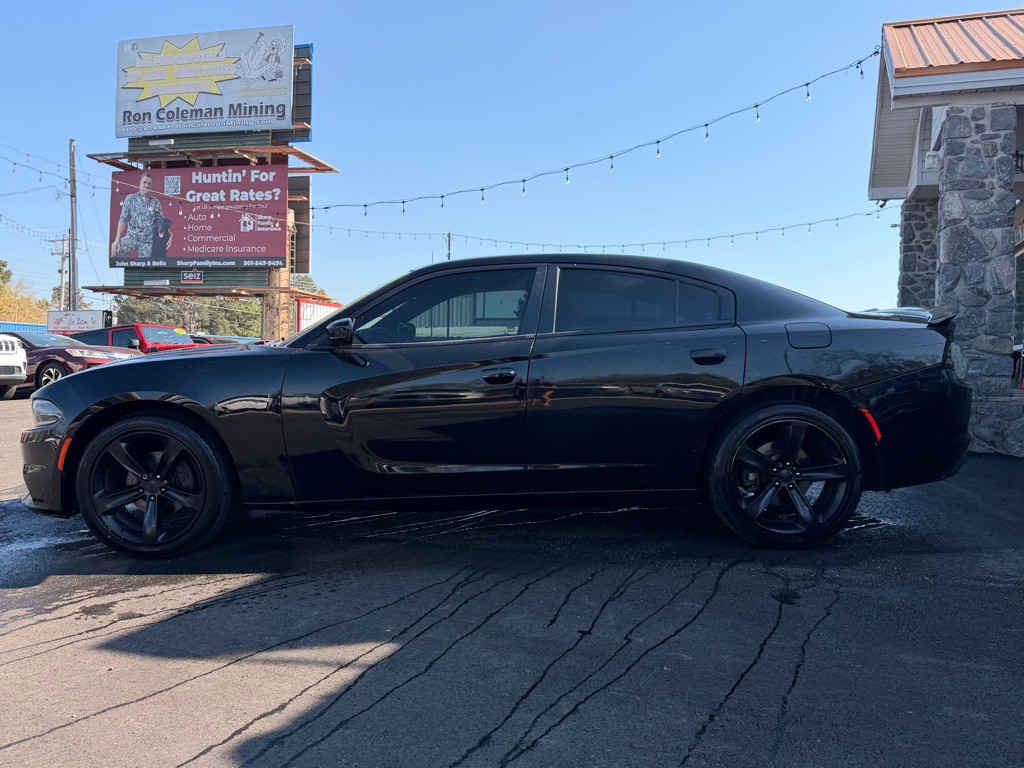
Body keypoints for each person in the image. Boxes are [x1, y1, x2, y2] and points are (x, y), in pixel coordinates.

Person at [111, 172, 164, 261]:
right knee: (115, 250)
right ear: (140, 183)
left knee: (146, 268)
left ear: (151, 186)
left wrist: (169, 234)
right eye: (144, 182)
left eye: (149, 183)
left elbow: (161, 221)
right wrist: (117, 239)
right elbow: (123, 219)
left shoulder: (155, 202)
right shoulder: (130, 198)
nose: (146, 185)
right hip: (131, 237)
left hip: (147, 242)